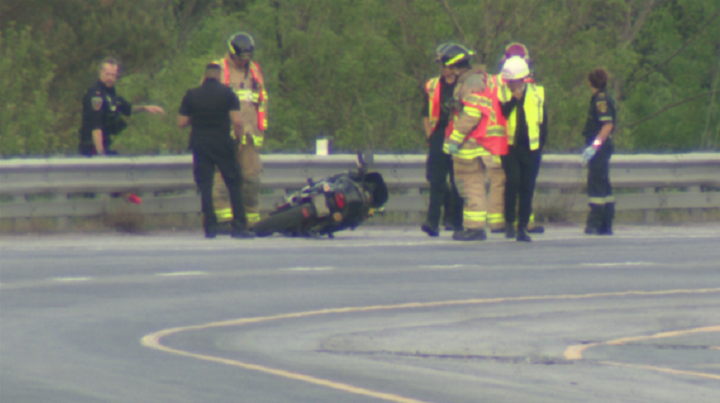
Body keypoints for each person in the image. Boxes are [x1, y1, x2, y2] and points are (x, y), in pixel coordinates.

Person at [178, 63, 255, 239]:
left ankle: (210, 227)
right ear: (219, 76)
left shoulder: (192, 94)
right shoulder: (228, 93)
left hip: (200, 144)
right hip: (222, 144)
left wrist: (196, 117)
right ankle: (239, 227)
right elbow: (237, 121)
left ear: (205, 76)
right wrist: (238, 139)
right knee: (234, 183)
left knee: (205, 185)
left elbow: (181, 122)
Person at [441, 44, 508, 241]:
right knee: (473, 186)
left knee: (471, 185)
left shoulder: (470, 83)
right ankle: (474, 226)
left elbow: (472, 113)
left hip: (471, 145)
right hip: (480, 144)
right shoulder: (477, 80)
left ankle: (475, 228)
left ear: (454, 65)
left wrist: (455, 139)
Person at [209, 32, 268, 230]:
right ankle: (224, 220)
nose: (245, 62)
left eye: (247, 58)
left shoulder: (255, 71)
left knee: (251, 179)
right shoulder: (218, 69)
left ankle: (251, 220)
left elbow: (261, 101)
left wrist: (260, 131)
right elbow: (208, 100)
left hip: (250, 136)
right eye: (241, 58)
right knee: (223, 179)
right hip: (226, 135)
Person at [492, 42, 544, 234]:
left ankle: (522, 227)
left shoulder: (537, 94)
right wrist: (514, 98)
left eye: (514, 81)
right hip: (510, 147)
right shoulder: (502, 92)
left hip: (531, 148)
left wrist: (540, 147)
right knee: (512, 182)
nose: (511, 84)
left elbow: (542, 122)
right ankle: (509, 223)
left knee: (527, 187)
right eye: (509, 82)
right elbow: (502, 113)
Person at [79, 57, 165, 156]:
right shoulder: (95, 95)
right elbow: (96, 129)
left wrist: (146, 108)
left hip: (105, 145)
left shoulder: (110, 94)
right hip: (92, 148)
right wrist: (101, 156)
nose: (110, 78)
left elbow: (127, 108)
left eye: (113, 75)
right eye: (108, 74)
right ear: (101, 73)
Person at [420, 43, 463, 237]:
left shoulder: (465, 85)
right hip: (439, 135)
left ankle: (455, 220)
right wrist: (430, 134)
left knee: (457, 181)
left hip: (459, 137)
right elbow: (425, 113)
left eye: (446, 64)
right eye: (441, 64)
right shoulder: (433, 85)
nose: (443, 68)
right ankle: (433, 222)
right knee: (436, 180)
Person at [581, 68, 616, 235]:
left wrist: (594, 146)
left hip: (600, 148)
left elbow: (607, 125)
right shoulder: (600, 98)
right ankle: (606, 223)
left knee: (596, 185)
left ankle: (595, 223)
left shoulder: (600, 101)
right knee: (603, 184)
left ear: (590, 83)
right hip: (601, 147)